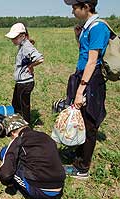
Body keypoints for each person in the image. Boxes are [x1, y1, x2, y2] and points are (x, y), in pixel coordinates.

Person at [63, 0, 110, 179]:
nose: (72, 11)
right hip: (83, 75)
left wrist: (80, 91)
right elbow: (83, 52)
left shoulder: (98, 27)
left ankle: (83, 168)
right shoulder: (87, 27)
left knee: (89, 123)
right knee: (80, 118)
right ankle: (78, 155)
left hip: (91, 79)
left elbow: (92, 61)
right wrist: (78, 36)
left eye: (74, 7)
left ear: (86, 7)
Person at [0, 114, 65, 199]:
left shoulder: (18, 140)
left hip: (40, 191)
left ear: (13, 133)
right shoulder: (45, 136)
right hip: (59, 186)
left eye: (10, 136)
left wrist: (8, 182)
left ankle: (18, 185)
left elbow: (5, 175)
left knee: (4, 152)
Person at [5, 23, 44, 124]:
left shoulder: (26, 46)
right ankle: (18, 123)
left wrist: (31, 66)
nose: (12, 40)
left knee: (23, 106)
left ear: (22, 36)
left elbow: (40, 58)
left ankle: (25, 127)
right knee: (16, 103)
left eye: (14, 37)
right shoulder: (22, 45)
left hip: (25, 83)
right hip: (21, 82)